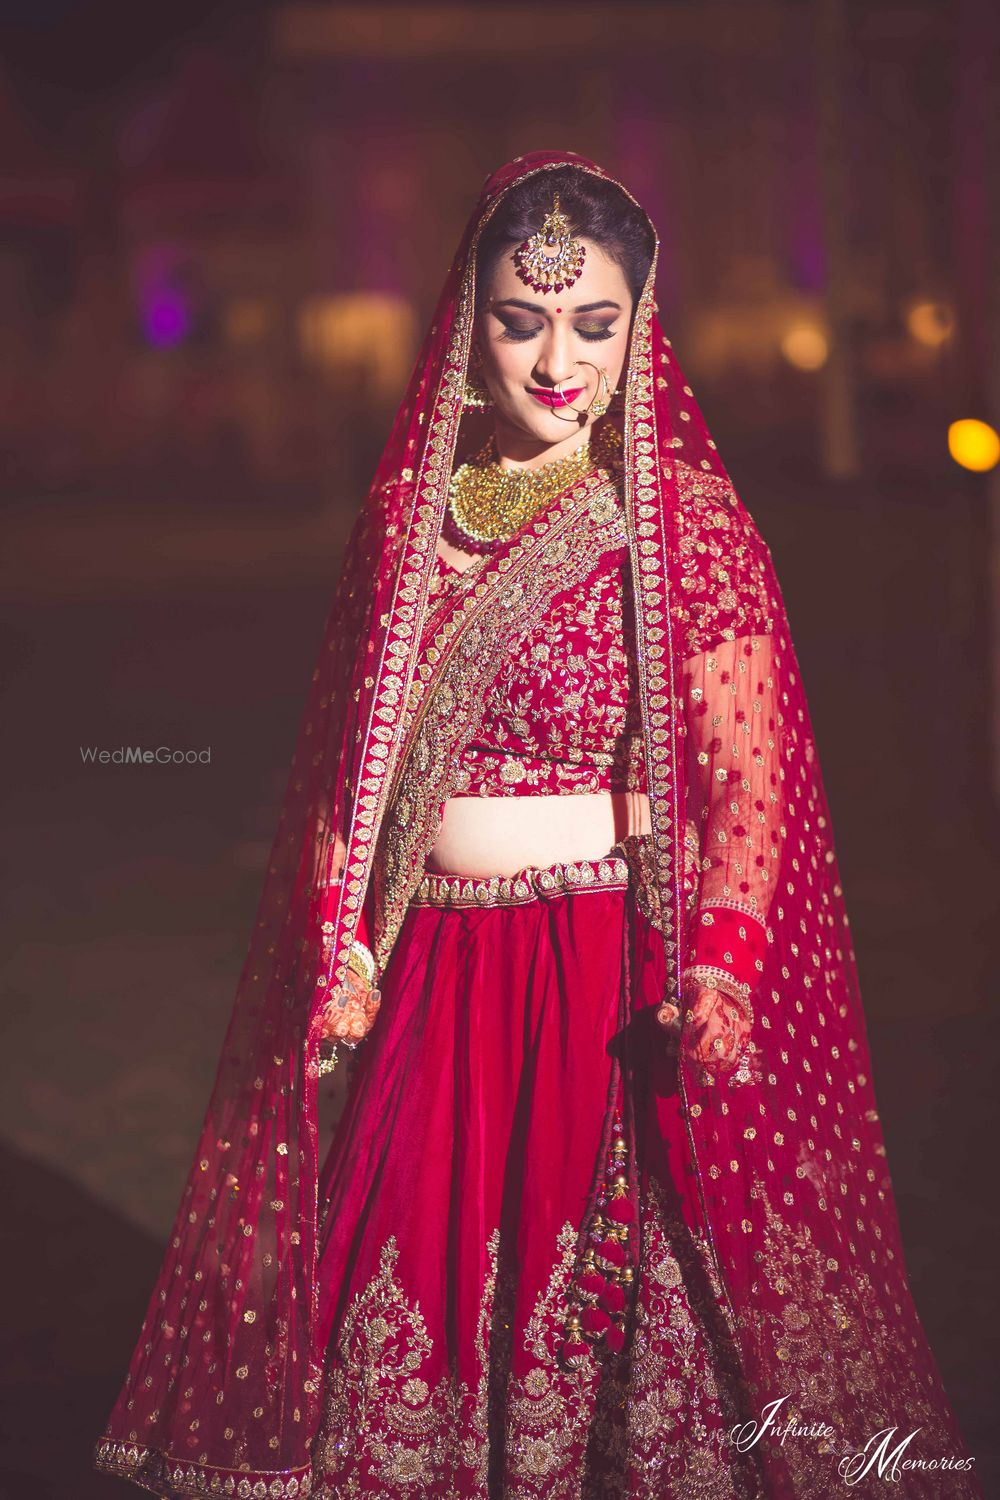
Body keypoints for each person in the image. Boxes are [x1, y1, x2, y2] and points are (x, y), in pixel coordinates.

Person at [94, 151, 982, 1499]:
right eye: (521, 321)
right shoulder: (408, 518)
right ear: (469, 321)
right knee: (404, 1294)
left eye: (594, 322)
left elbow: (750, 777)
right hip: (432, 984)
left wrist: (727, 964)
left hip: (599, 981)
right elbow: (358, 766)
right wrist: (339, 935)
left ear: (642, 328)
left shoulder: (682, 529)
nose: (557, 358)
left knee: (604, 1325)